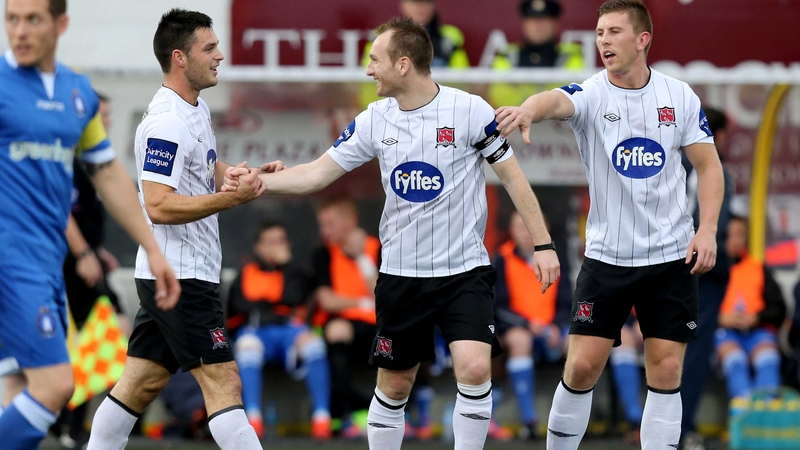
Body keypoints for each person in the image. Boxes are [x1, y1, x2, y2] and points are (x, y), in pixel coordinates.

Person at [224, 16, 559, 450]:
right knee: (396, 385)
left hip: (464, 273)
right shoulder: (374, 120)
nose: (368, 70)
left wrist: (545, 244)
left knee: (475, 368)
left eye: (374, 60)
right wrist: (260, 181)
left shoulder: (469, 110)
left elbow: (514, 179)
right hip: (401, 276)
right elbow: (315, 174)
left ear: (403, 65)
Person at [495, 1, 725, 449]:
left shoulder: (679, 96)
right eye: (599, 32)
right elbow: (554, 100)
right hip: (608, 259)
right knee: (581, 368)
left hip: (670, 259)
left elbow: (709, 167)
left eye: (614, 31)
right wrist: (527, 109)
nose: (603, 40)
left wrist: (708, 229)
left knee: (665, 369)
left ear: (643, 40)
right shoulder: (593, 94)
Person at [85, 9, 275, 450]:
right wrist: (232, 199)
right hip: (182, 279)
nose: (220, 56)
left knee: (138, 385)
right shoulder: (165, 121)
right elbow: (158, 204)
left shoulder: (196, 108)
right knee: (224, 384)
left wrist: (239, 175)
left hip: (180, 276)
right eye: (209, 48)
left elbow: (204, 168)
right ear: (179, 58)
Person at [0, 1, 180, 448]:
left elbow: (108, 173)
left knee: (17, 388)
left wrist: (153, 250)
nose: (19, 31)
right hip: (11, 258)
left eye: (32, 19)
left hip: (45, 262)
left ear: (61, 24)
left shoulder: (77, 93)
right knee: (56, 385)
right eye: (11, 19)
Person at [227, 220, 332, 440]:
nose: (275, 247)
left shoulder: (297, 271)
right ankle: (253, 420)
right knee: (247, 348)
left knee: (314, 345)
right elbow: (238, 309)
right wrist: (268, 309)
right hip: (257, 332)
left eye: (280, 241)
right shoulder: (246, 273)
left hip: (289, 332)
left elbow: (295, 297)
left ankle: (322, 418)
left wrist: (288, 266)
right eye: (269, 242)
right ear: (258, 246)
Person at [678, 106, 735, 450]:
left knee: (669, 350)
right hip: (703, 270)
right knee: (694, 352)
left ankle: (667, 429)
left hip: (668, 264)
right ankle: (682, 430)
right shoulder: (713, 169)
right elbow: (720, 226)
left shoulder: (673, 164)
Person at [492, 211, 570, 440]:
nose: (527, 232)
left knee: (579, 344)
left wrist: (556, 325)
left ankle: (571, 422)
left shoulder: (557, 258)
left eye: (532, 225)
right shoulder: (501, 258)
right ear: (512, 231)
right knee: (519, 340)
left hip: (553, 329)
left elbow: (567, 301)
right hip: (517, 329)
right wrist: (527, 324)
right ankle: (530, 420)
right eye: (521, 226)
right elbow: (498, 306)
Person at [310, 196, 379, 437]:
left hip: (377, 326)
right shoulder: (323, 254)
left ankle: (403, 412)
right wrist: (363, 302)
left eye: (330, 224)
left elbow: (382, 296)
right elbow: (327, 301)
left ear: (350, 222)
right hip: (344, 326)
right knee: (336, 330)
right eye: (322, 224)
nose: (324, 231)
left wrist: (362, 258)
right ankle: (347, 412)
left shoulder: (377, 248)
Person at [714, 216, 786, 407]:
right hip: (723, 333)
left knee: (768, 358)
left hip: (757, 331)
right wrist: (719, 319)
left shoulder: (758, 268)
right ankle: (744, 412)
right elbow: (694, 315)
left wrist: (756, 318)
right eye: (729, 235)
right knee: (734, 360)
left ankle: (766, 410)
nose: (734, 240)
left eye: (740, 235)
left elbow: (779, 309)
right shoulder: (708, 270)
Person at [493, 0, 582, 70]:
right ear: (524, 25)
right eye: (533, 19)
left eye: (544, 19)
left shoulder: (571, 57)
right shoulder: (507, 57)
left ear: (555, 25)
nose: (538, 25)